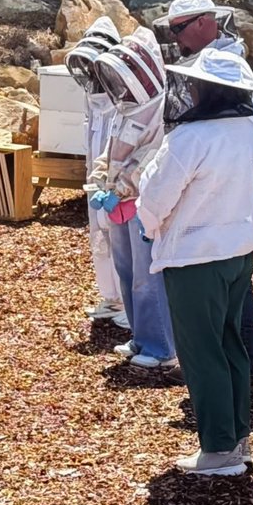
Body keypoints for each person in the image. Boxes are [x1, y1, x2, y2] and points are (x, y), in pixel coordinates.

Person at [137, 49, 253, 476]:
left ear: (203, 89)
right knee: (231, 343)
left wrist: (148, 221)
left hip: (194, 259)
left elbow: (155, 198)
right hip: (240, 252)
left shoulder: (190, 138)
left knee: (202, 351)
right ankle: (237, 437)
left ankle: (218, 448)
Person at [158, 0, 253, 397]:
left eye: (181, 28)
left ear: (206, 22)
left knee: (235, 299)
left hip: (223, 189)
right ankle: (231, 376)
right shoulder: (202, 59)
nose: (176, 37)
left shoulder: (228, 62)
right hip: (211, 183)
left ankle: (243, 374)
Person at [87, 30, 178, 371]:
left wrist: (120, 187)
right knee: (125, 270)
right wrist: (101, 178)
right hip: (119, 204)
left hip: (142, 204)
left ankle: (160, 347)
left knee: (146, 277)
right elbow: (110, 151)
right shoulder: (124, 108)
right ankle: (140, 336)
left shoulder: (162, 109)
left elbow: (152, 158)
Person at [65, 18, 128, 329]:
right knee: (99, 237)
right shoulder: (91, 96)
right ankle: (112, 297)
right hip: (96, 178)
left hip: (121, 180)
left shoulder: (124, 93)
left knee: (122, 241)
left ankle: (130, 303)